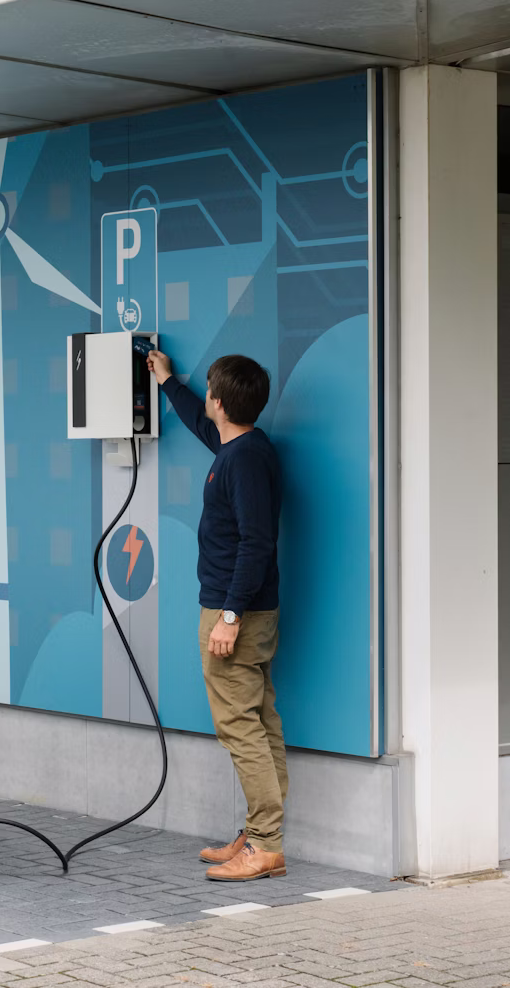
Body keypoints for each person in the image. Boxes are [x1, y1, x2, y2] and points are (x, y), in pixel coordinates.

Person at [147, 350, 286, 882]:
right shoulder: (239, 447)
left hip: (237, 613)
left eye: (207, 391)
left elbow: (257, 543)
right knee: (260, 721)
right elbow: (201, 425)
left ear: (221, 402)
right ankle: (258, 833)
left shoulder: (244, 461)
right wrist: (166, 383)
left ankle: (267, 843)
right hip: (249, 609)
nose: (203, 398)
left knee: (240, 728)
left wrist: (229, 615)